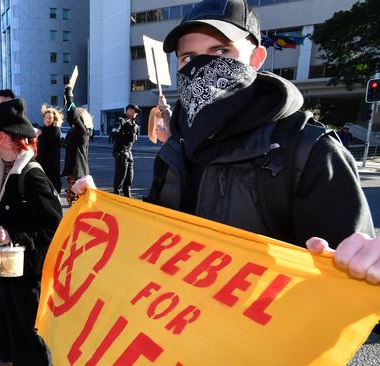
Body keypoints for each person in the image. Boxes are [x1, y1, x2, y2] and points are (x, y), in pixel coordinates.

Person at [72, 0, 379, 285]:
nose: (202, 67)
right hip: (175, 327)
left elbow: (348, 292)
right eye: (189, 57)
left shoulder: (308, 149)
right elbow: (155, 233)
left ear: (256, 58)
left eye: (221, 52)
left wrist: (366, 266)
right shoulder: (176, 147)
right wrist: (107, 212)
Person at [0, 98, 62, 365]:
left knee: (31, 339)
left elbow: (55, 228)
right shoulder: (2, 167)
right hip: (4, 271)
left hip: (26, 275)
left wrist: (11, 235)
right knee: (8, 329)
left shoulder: (32, 176)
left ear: (2, 136)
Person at [61, 85, 92, 205]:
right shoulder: (74, 131)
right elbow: (71, 116)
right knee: (73, 200)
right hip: (73, 172)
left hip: (77, 172)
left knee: (75, 202)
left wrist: (68, 94)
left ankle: (77, 222)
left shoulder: (83, 132)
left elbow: (72, 115)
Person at [112, 104, 140, 197]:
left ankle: (127, 194)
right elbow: (114, 133)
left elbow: (134, 137)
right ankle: (116, 195)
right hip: (121, 151)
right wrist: (127, 135)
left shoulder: (133, 122)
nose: (136, 113)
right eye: (135, 111)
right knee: (120, 175)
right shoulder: (121, 120)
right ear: (129, 110)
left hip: (129, 152)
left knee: (129, 176)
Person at [37, 104, 63, 193]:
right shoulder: (43, 129)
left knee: (52, 185)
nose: (48, 120)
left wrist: (39, 136)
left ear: (54, 119)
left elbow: (46, 143)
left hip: (51, 163)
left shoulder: (55, 129)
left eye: (50, 118)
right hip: (42, 161)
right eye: (46, 117)